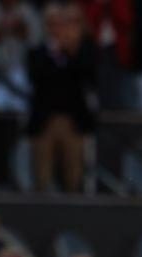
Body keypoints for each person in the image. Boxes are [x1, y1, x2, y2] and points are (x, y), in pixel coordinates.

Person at [28, 3, 95, 193]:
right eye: (53, 24)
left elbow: (88, 77)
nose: (58, 29)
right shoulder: (37, 53)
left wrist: (71, 51)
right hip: (45, 121)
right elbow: (37, 77)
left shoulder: (79, 52)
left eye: (62, 24)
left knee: (74, 173)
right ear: (47, 26)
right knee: (42, 175)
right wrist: (55, 54)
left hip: (72, 121)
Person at [0, 0, 39, 113]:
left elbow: (36, 41)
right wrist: (0, 29)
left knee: (20, 110)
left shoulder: (26, 10)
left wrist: (18, 27)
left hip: (20, 69)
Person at [77, 0, 135, 110]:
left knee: (117, 84)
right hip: (94, 47)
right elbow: (87, 22)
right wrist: (99, 4)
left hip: (116, 48)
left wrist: (110, 4)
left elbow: (126, 20)